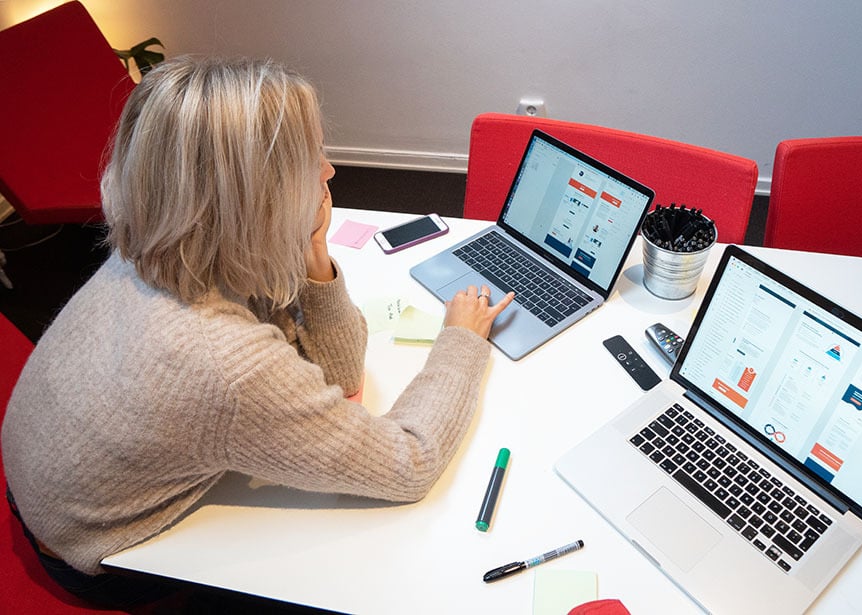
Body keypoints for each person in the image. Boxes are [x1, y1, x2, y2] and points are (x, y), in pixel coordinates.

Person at [1, 56, 513, 608]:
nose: (330, 171)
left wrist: (314, 253)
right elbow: (409, 463)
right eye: (310, 159)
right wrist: (461, 340)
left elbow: (337, 377)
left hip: (47, 487)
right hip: (92, 554)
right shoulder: (225, 363)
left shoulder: (163, 243)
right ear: (257, 195)